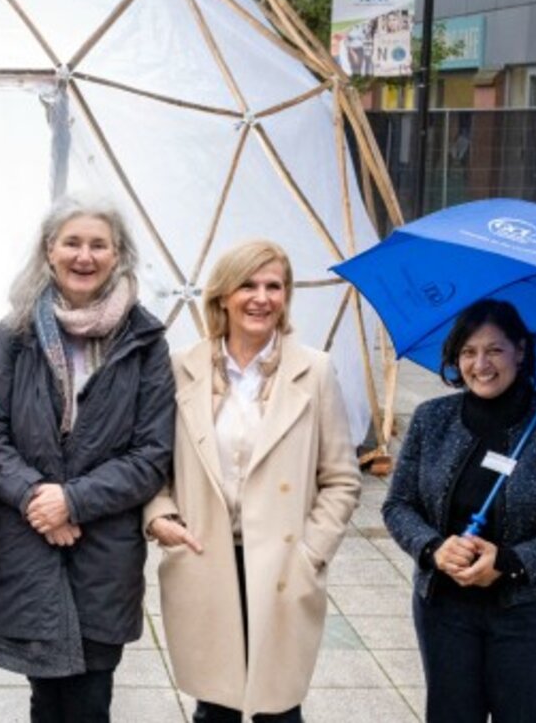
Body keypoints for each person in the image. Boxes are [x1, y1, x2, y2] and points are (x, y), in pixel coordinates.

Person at [146, 240, 362, 722]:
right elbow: (152, 464)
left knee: (278, 709)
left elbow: (342, 478)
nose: (261, 297)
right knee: (215, 706)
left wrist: (311, 550)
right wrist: (159, 518)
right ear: (223, 295)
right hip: (206, 554)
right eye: (248, 284)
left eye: (274, 286)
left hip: (284, 563)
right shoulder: (181, 369)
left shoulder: (315, 371)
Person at [0, 198, 174, 723]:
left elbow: (152, 452)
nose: (84, 256)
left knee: (91, 697)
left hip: (103, 548)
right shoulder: (15, 333)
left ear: (118, 255)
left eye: (98, 244)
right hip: (27, 540)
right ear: (49, 250)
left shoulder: (145, 339)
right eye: (72, 242)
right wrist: (36, 498)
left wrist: (74, 501)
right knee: (46, 696)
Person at [382, 298, 536, 723]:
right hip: (445, 610)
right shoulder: (433, 419)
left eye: (494, 350)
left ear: (521, 351)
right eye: (468, 352)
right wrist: (433, 548)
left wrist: (510, 562)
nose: (480, 364)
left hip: (530, 615)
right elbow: (398, 505)